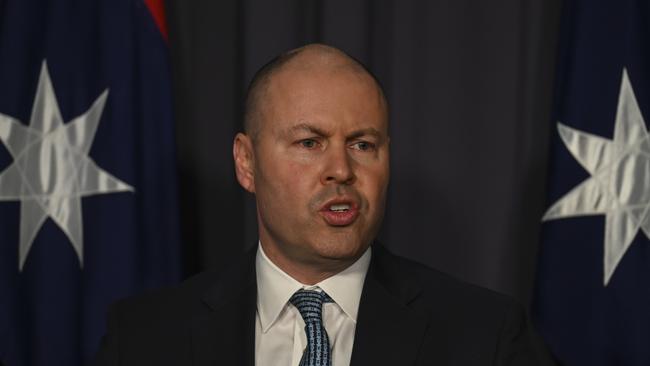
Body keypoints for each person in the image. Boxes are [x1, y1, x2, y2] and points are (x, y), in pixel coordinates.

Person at [93, 44, 540, 365]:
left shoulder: (485, 336)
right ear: (246, 163)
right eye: (310, 142)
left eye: (363, 145)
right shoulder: (143, 338)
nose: (341, 170)